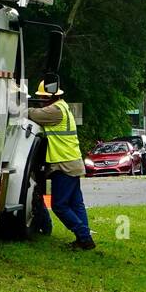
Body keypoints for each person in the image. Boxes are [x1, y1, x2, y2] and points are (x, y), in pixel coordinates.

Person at [27, 79, 95, 251]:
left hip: (63, 164)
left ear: (50, 97)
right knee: (76, 204)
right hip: (72, 162)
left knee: (59, 205)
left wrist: (21, 108)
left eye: (42, 97)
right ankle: (84, 238)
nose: (41, 100)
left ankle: (84, 237)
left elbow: (34, 114)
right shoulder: (63, 107)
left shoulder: (55, 111)